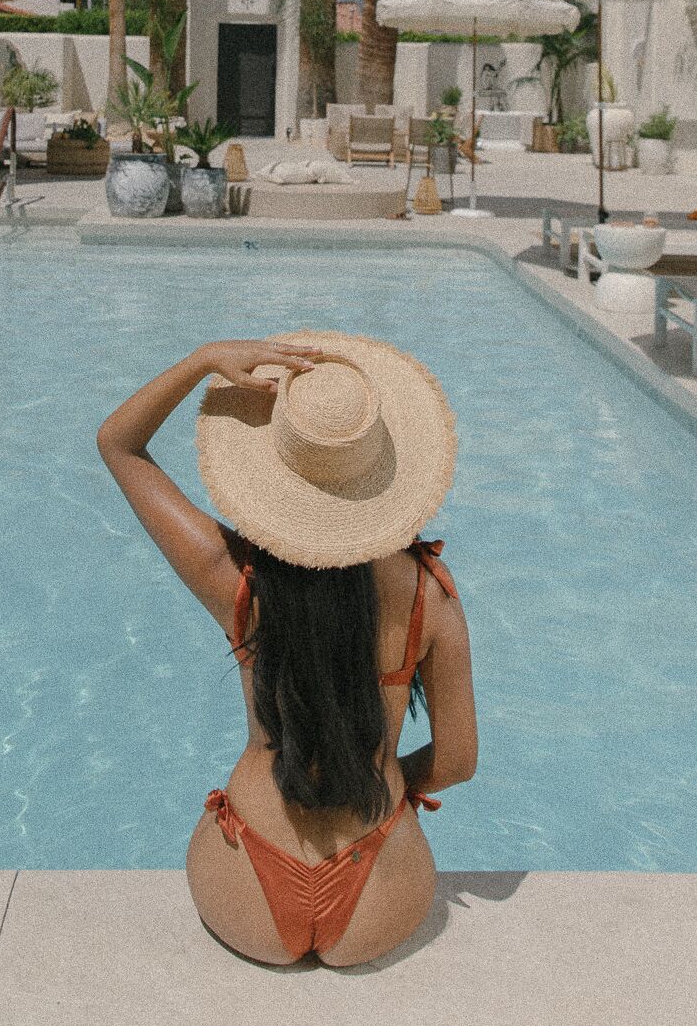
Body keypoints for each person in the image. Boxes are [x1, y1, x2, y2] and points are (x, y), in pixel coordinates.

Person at [96, 327, 477, 967]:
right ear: (383, 473)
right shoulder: (428, 599)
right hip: (378, 879)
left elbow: (119, 445)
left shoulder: (233, 581)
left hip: (244, 878)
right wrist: (375, 774)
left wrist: (202, 359)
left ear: (275, 474)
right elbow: (458, 762)